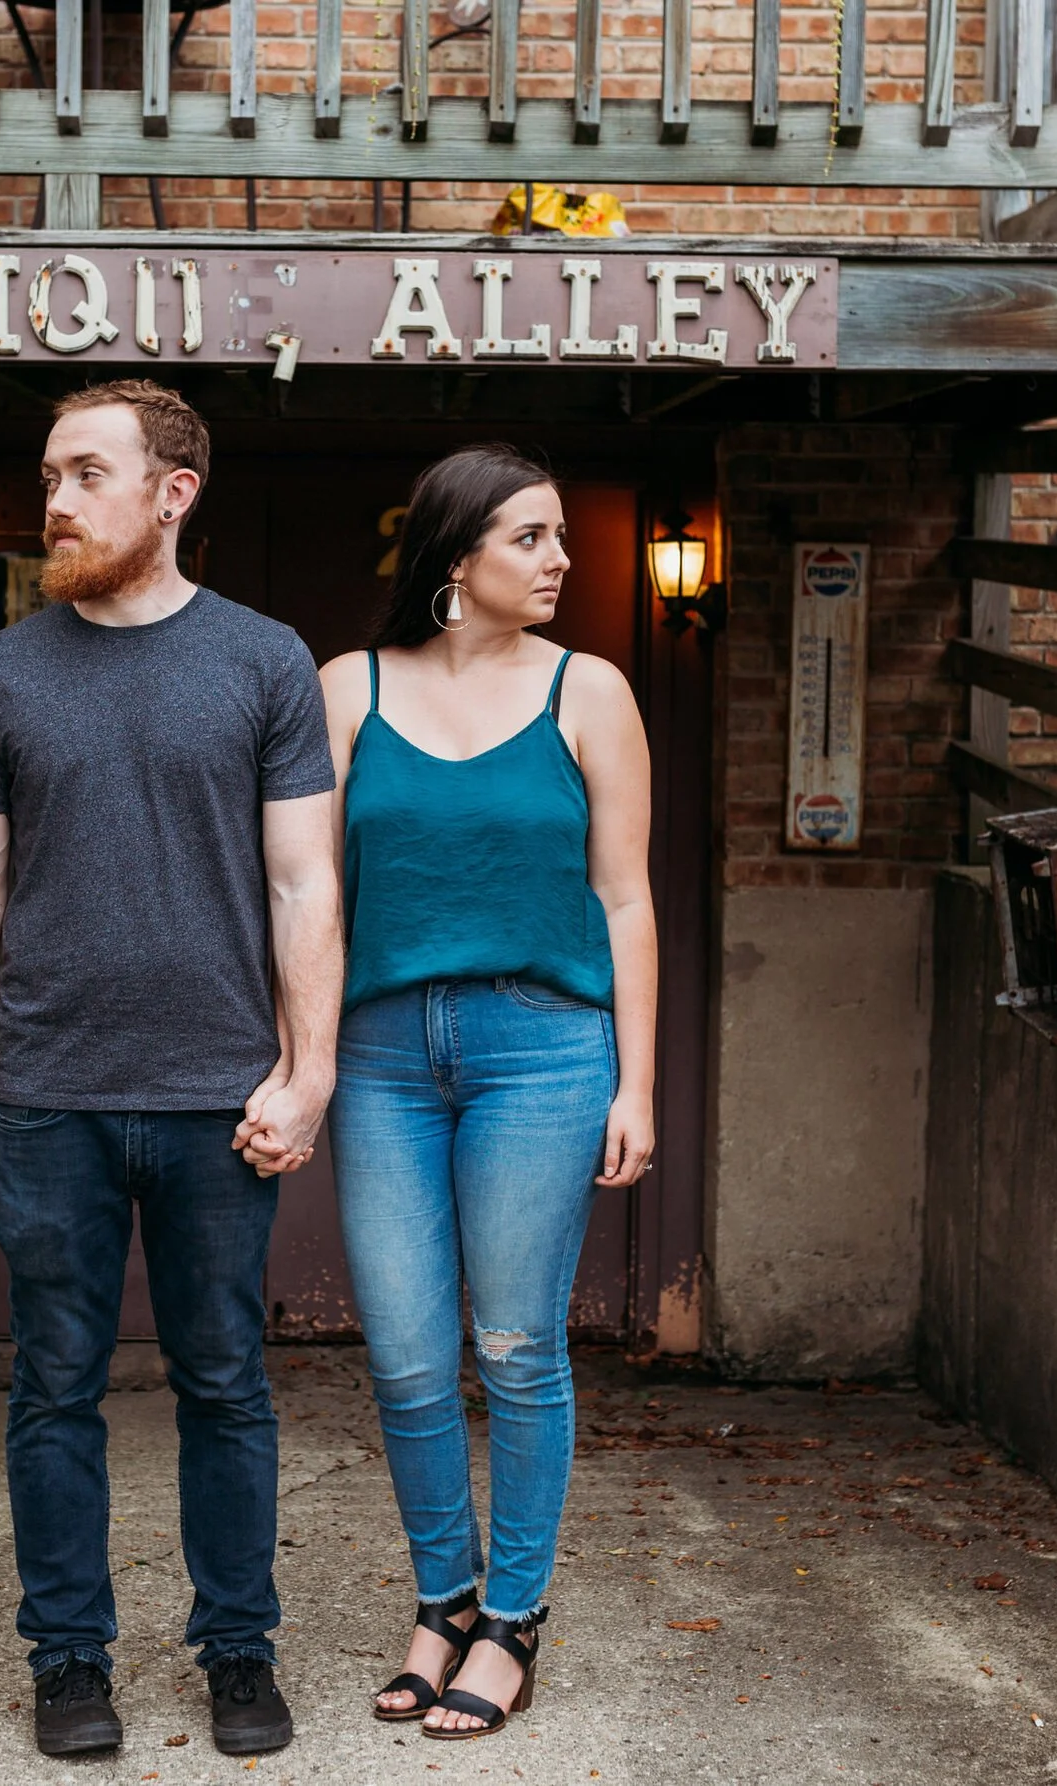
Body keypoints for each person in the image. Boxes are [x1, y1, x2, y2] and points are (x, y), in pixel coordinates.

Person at [0, 379, 343, 1760]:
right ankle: (68, 1659)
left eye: (87, 473)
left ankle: (237, 1650)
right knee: (55, 1384)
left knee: (225, 1380)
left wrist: (308, 1069)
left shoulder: (266, 661)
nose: (55, 499)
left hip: (219, 1097)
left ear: (173, 493)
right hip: (48, 1096)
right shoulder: (1, 675)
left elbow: (303, 884)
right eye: (48, 472)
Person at [308, 445, 658, 1741]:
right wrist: (303, 1056)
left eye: (559, 534)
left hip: (542, 1048)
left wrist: (640, 1080)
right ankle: (441, 1601)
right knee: (405, 1357)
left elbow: (626, 896)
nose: (560, 558)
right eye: (530, 537)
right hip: (385, 1056)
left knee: (515, 1347)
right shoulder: (348, 688)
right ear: (456, 559)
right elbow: (312, 895)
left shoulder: (591, 691)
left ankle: (512, 1620)